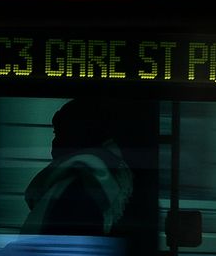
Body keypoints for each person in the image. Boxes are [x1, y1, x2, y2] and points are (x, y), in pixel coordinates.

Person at [21, 98, 133, 237]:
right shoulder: (108, 176)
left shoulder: (76, 186)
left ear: (78, 135)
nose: (54, 143)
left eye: (59, 134)